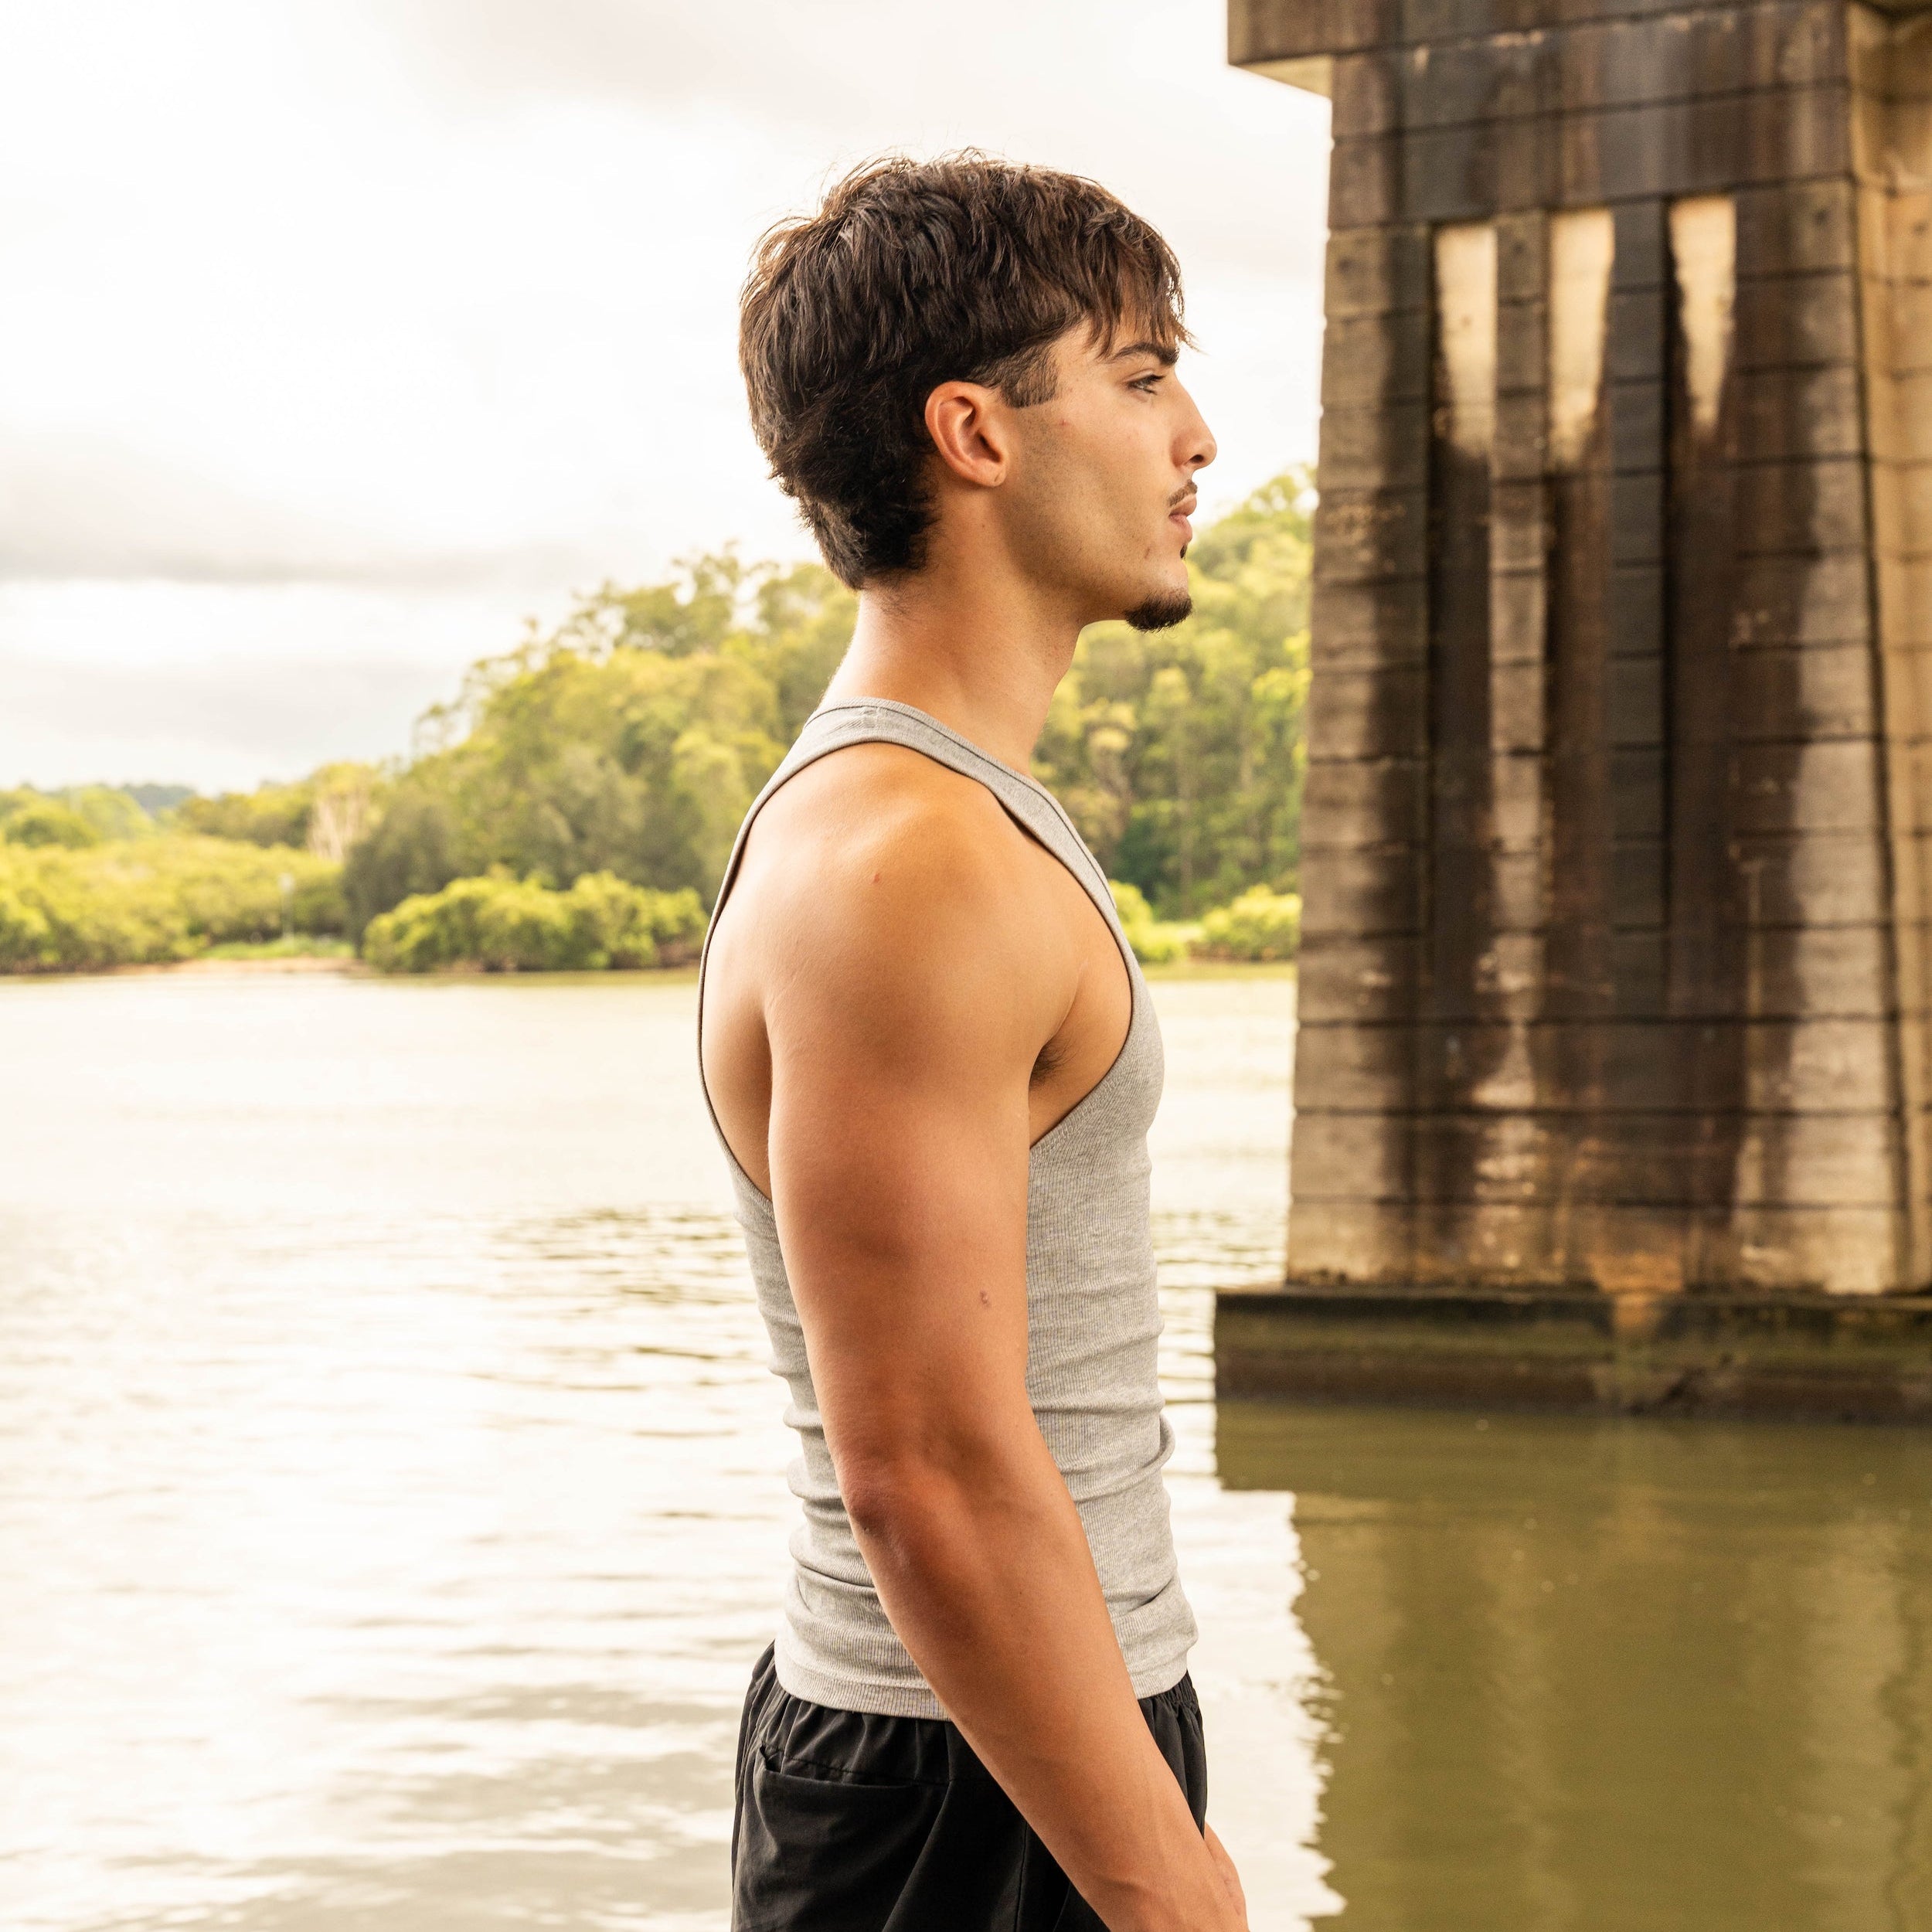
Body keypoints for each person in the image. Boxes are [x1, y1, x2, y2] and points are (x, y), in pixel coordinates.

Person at [698, 154, 1246, 1931]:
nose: (1197, 439)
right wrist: (1161, 1880)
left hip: (1014, 1735)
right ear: (976, 431)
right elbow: (922, 1469)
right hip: (970, 1781)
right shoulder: (907, 863)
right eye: (1143, 373)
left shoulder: (949, 820)